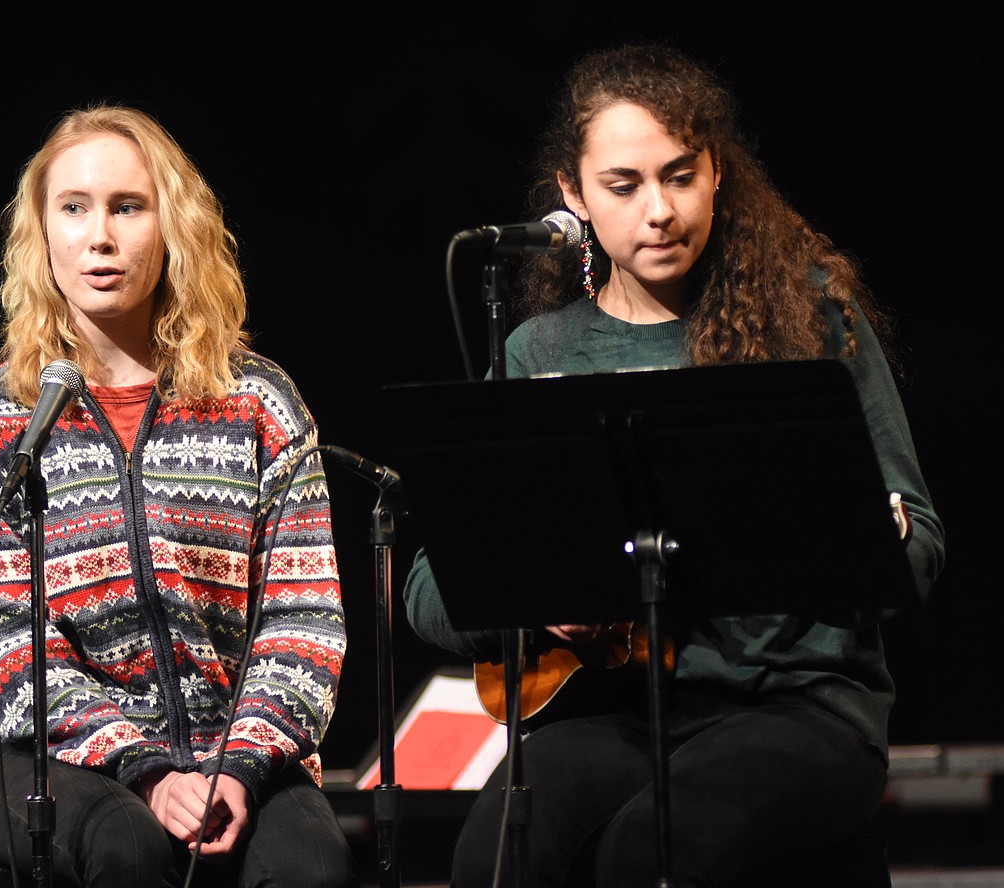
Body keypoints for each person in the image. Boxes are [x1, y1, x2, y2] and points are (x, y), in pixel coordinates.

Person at [404, 44, 945, 887]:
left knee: (650, 850)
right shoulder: (541, 351)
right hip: (621, 711)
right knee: (496, 853)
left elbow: (921, 545)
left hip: (799, 705)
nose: (658, 210)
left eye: (680, 176)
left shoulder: (808, 317)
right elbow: (433, 590)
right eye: (624, 186)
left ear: (717, 173)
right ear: (573, 196)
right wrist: (545, 597)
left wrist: (864, 531)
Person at [0, 104, 358, 888]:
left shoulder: (259, 405)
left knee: (312, 867)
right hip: (47, 755)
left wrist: (238, 765)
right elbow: (9, 652)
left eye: (127, 208)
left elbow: (304, 620)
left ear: (173, 229)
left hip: (234, 747)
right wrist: (149, 771)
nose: (100, 235)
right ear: (42, 235)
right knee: (125, 848)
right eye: (74, 208)